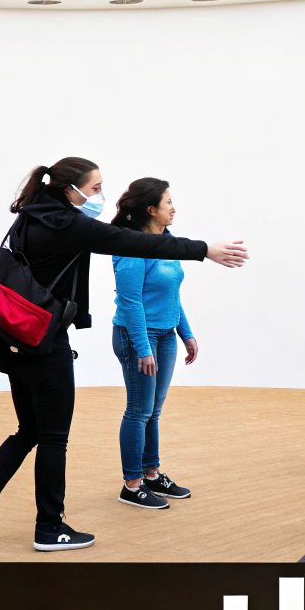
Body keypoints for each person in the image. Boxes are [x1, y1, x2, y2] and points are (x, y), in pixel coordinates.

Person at [0, 158, 248, 552]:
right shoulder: (69, 225)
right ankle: (49, 528)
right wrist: (204, 250)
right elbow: (137, 242)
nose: (99, 196)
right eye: (94, 189)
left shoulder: (30, 215)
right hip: (43, 341)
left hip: (13, 337)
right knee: (54, 437)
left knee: (29, 430)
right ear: (69, 190)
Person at [108, 178, 200, 511]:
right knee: (138, 411)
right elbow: (131, 302)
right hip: (137, 337)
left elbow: (171, 294)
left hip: (164, 334)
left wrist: (185, 332)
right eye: (168, 202)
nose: (174, 208)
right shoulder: (133, 247)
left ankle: (151, 473)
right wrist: (143, 348)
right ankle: (131, 485)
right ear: (151, 210)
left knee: (153, 412)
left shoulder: (166, 243)